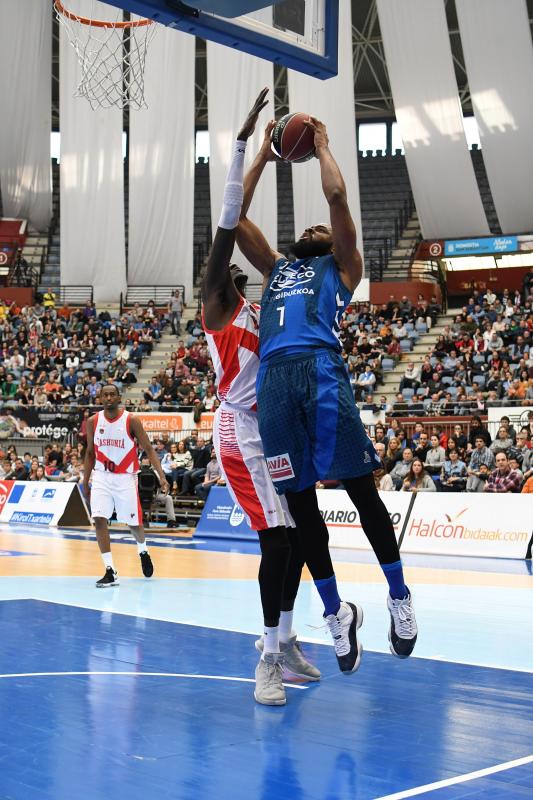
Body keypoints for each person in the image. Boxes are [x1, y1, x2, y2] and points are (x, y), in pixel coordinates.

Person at [237, 106, 418, 670]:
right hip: (273, 382)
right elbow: (233, 216)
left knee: (363, 494)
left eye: (319, 229)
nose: (313, 227)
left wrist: (321, 145)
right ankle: (335, 613)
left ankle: (399, 596)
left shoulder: (342, 267)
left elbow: (338, 202)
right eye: (309, 228)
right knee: (300, 507)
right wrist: (265, 154)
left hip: (318, 372)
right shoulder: (274, 267)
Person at [201, 88, 319, 706]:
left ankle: (287, 639)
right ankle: (266, 662)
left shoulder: (260, 299)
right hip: (239, 429)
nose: (229, 259)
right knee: (277, 539)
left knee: (297, 535)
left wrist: (268, 154)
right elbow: (229, 219)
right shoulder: (216, 304)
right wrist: (248, 144)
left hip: (271, 425)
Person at [83, 383, 169, 587]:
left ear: (119, 397)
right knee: (99, 519)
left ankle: (143, 550)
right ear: (100, 398)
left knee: (133, 523)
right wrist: (85, 480)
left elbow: (148, 448)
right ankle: (110, 570)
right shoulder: (93, 421)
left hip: (125, 477)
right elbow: (89, 453)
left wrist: (162, 475)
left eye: (113, 394)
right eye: (106, 395)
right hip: (102, 476)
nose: (109, 398)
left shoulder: (131, 420)